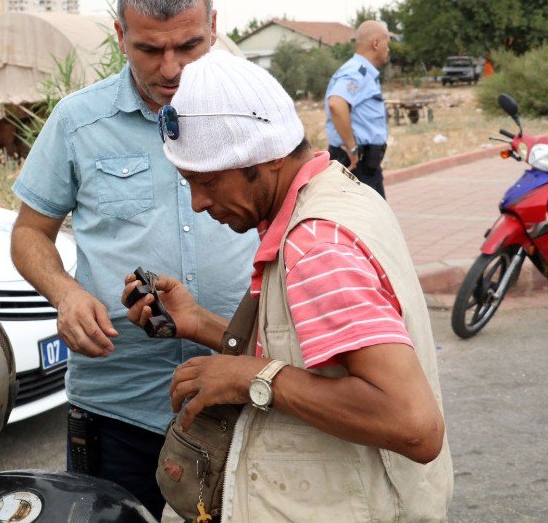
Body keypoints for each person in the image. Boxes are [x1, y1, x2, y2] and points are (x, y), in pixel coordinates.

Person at [126, 50, 452, 521]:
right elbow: (314, 358)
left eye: (209, 181)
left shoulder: (316, 245)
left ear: (267, 159)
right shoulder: (334, 191)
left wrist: (249, 377)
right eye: (188, 183)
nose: (198, 202)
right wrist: (197, 323)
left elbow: (413, 424)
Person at [10, 0, 257, 519]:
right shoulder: (78, 122)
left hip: (240, 388)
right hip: (118, 407)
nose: (171, 68)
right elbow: (29, 232)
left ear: (214, 27)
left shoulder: (252, 116)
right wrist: (65, 293)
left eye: (189, 46)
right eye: (150, 49)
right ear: (120, 35)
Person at [325, 20, 392, 197]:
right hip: (356, 163)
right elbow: (337, 104)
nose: (389, 49)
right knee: (369, 221)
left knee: (376, 220)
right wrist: (353, 149)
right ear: (376, 43)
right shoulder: (357, 72)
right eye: (387, 43)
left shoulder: (365, 73)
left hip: (367, 164)